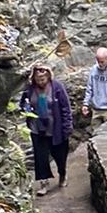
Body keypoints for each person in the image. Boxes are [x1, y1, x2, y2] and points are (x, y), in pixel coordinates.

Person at [18, 64, 72, 195]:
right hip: (37, 129)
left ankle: (62, 174)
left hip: (55, 129)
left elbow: (65, 108)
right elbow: (23, 105)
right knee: (40, 157)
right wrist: (26, 109)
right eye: (38, 79)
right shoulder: (30, 90)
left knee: (60, 155)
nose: (41, 81)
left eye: (43, 79)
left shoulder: (57, 87)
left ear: (48, 76)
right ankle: (43, 183)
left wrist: (67, 126)